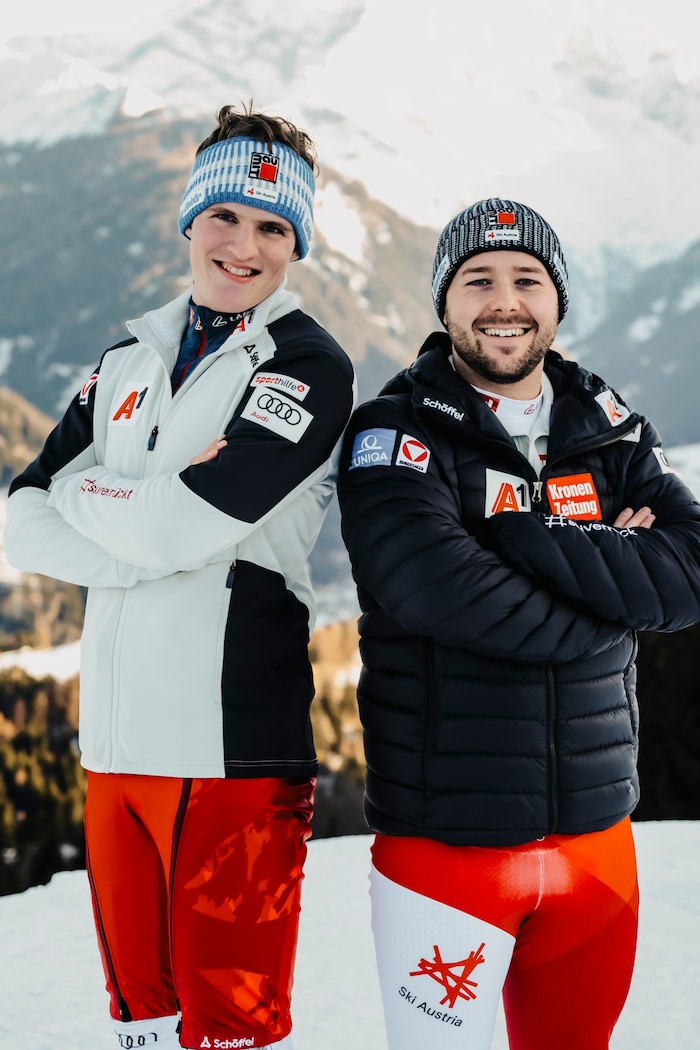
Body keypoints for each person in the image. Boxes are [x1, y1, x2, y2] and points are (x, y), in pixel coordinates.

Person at [4, 103, 356, 1050]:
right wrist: (148, 515)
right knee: (143, 1027)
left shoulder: (309, 365)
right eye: (228, 217)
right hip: (115, 751)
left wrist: (106, 499)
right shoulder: (128, 353)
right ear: (191, 219)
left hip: (231, 755)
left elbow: (179, 523)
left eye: (274, 228)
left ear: (297, 247)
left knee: (229, 1031)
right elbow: (21, 514)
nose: (244, 246)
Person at [336, 198, 700, 1050]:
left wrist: (515, 536)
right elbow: (443, 593)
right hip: (445, 849)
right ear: (444, 302)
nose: (505, 300)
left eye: (527, 278)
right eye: (479, 279)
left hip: (598, 843)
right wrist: (613, 590)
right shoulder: (393, 432)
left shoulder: (606, 428)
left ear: (557, 300)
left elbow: (689, 576)